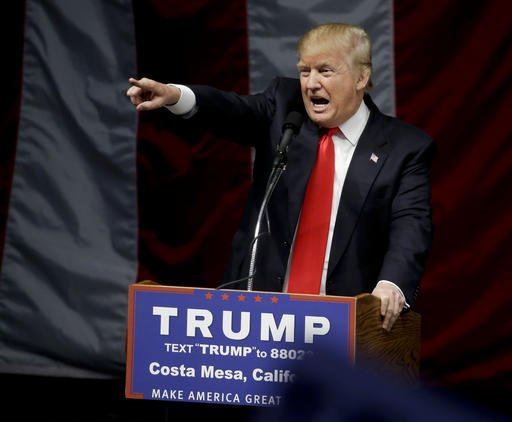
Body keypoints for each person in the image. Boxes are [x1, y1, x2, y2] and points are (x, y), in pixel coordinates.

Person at [126, 23, 435, 331]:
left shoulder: (404, 148)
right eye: (305, 71)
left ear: (361, 77)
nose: (311, 83)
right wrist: (174, 95)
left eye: (325, 71)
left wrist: (392, 284)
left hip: (347, 322)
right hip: (258, 316)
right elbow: (231, 110)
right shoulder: (286, 108)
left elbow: (410, 224)